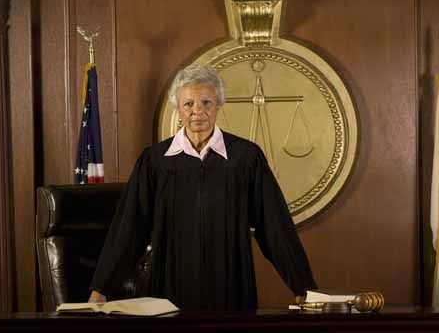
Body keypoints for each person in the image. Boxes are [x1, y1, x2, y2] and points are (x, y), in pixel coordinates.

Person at [88, 65, 317, 310]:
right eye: (188, 104)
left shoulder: (246, 158)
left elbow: (274, 226)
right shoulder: (155, 161)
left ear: (218, 104)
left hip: (231, 289)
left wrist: (302, 286)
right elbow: (129, 227)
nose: (198, 111)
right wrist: (101, 289)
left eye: (206, 102)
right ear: (178, 108)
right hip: (169, 290)